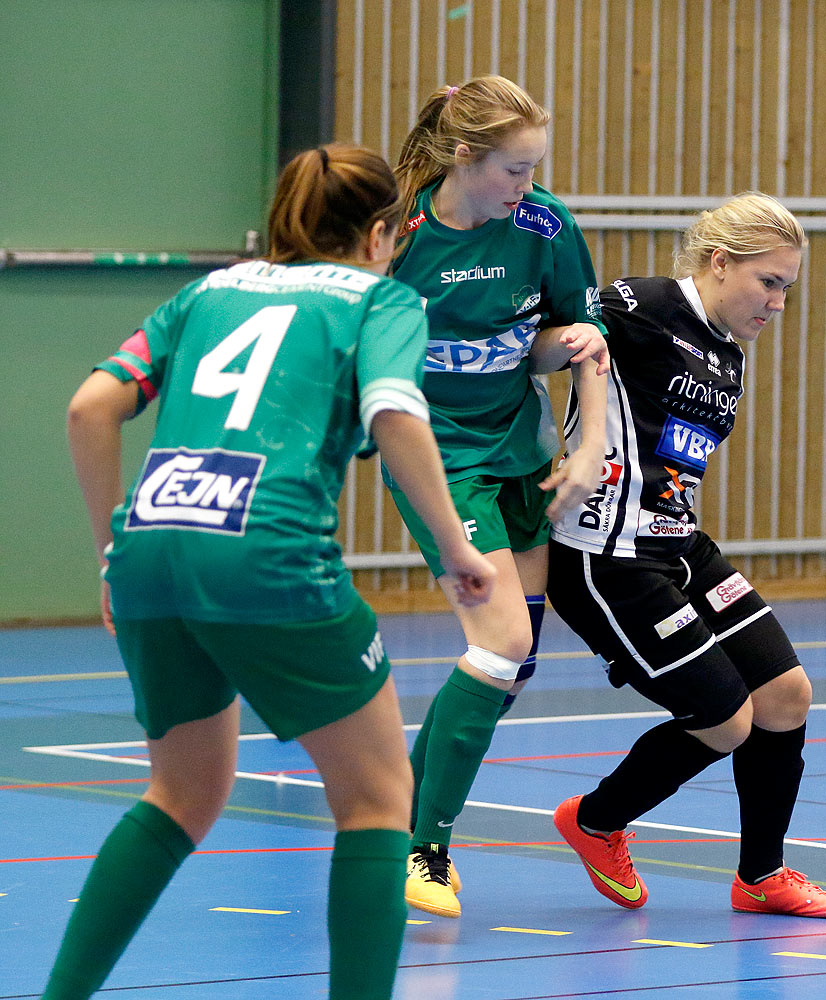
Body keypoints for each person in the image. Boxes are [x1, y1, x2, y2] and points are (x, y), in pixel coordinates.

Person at [46, 145, 496, 1000]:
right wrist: (456, 544)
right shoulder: (381, 298)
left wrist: (114, 547)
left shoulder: (205, 293)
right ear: (379, 233)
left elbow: (89, 408)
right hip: (270, 549)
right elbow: (396, 412)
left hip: (151, 548)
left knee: (180, 793)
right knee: (376, 801)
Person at [545, 193, 826, 918]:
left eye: (787, 289)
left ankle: (760, 876)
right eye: (768, 282)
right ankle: (594, 821)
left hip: (680, 544)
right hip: (607, 556)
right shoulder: (640, 304)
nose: (776, 303)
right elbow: (549, 338)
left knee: (785, 694)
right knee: (725, 719)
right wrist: (577, 436)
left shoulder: (730, 355)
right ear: (719, 262)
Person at [389, 74, 610, 919]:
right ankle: (424, 847)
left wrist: (587, 445)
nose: (529, 186)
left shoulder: (546, 225)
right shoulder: (401, 234)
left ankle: (390, 820)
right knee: (499, 640)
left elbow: (570, 343)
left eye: (535, 168)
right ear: (464, 159)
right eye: (515, 170)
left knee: (510, 664)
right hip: (439, 459)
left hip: (520, 453)